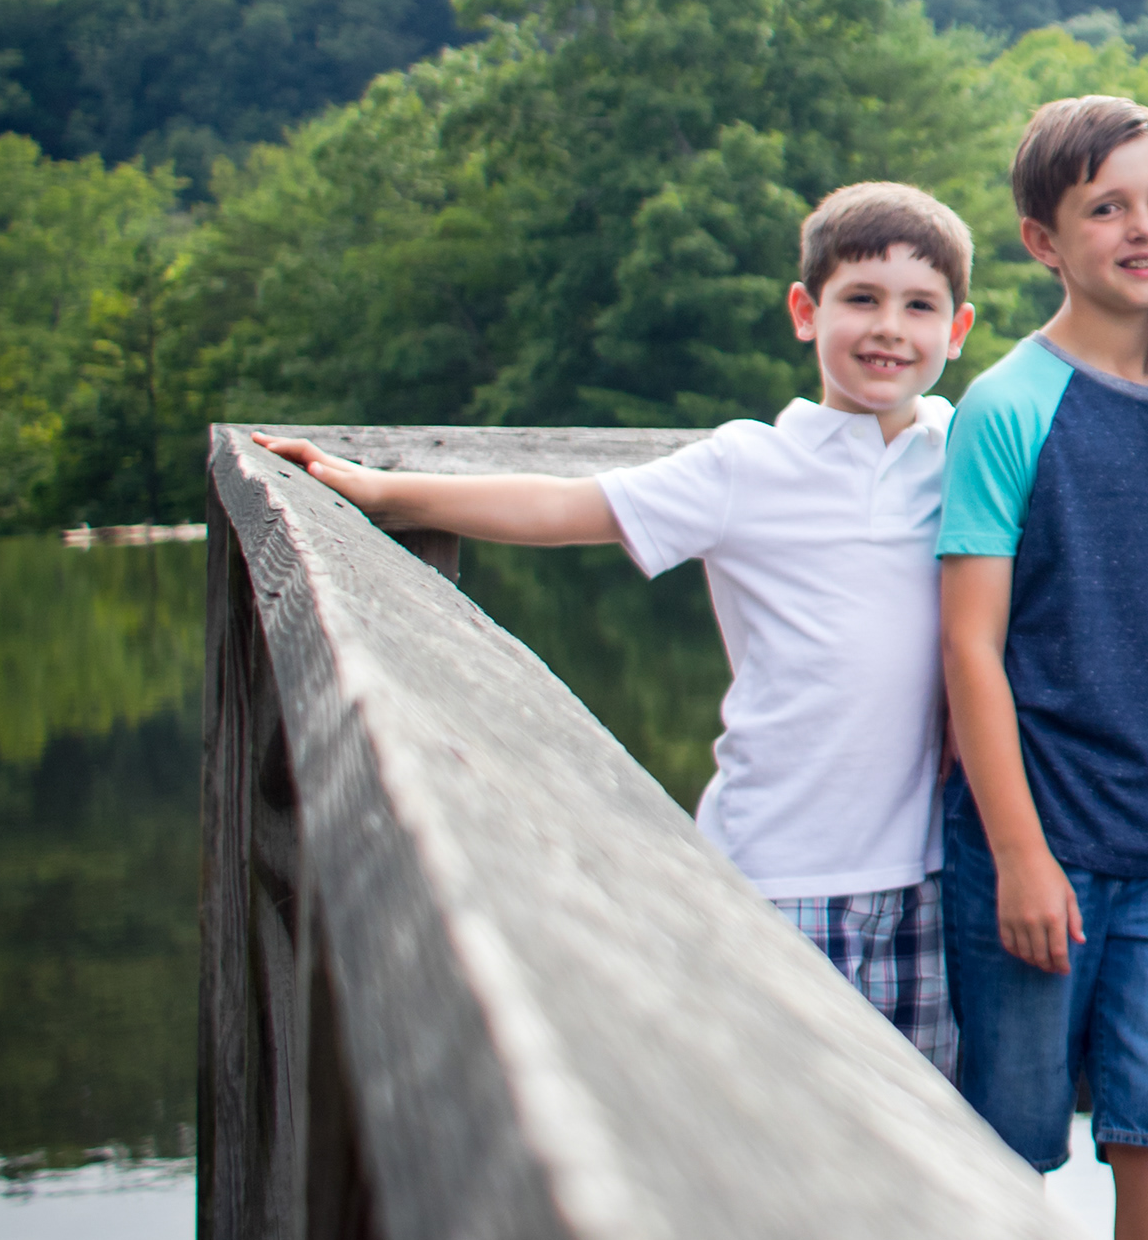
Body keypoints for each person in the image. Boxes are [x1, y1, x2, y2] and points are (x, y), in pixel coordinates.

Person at [253, 182, 978, 1071]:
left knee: (926, 1123)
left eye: (919, 306)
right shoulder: (748, 466)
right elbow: (563, 507)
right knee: (769, 1110)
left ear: (958, 329)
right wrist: (381, 491)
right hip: (778, 871)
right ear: (805, 311)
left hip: (929, 879)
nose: (889, 329)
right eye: (861, 299)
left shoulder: (963, 456)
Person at [936, 96, 1148, 1240]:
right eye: (1106, 208)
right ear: (1044, 240)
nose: (1143, 228)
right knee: (1009, 1144)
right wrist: (1019, 854)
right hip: (1034, 839)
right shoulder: (1008, 406)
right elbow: (969, 646)